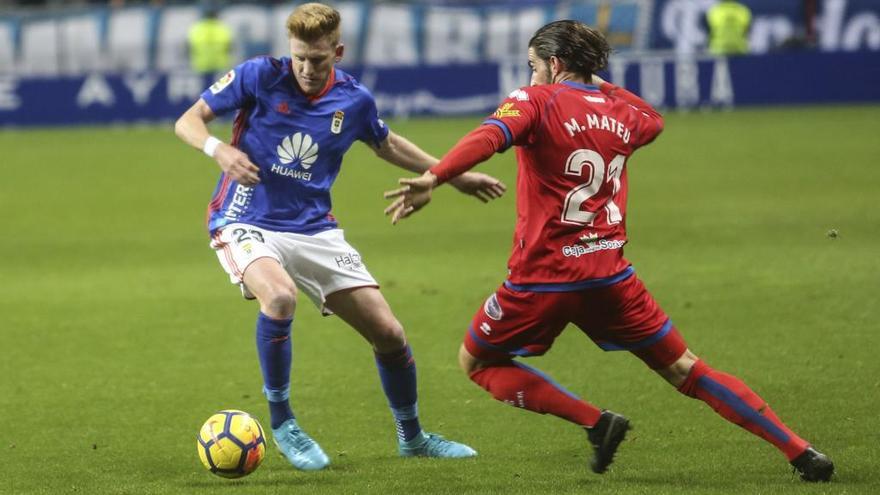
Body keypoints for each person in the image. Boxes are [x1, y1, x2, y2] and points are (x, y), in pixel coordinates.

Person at [384, 20, 834, 482]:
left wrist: (435, 177)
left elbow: (490, 136)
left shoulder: (534, 100)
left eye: (534, 66)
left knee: (476, 361)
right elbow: (653, 119)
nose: (530, 75)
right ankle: (800, 450)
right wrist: (596, 80)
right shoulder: (623, 114)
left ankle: (595, 422)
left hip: (542, 279)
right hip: (611, 276)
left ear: (554, 64)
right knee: (686, 370)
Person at [174, 2, 506, 471]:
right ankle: (284, 420)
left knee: (389, 333)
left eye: (319, 60)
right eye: (300, 58)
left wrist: (452, 175)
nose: (307, 69)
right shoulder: (258, 75)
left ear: (338, 51)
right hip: (245, 218)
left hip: (314, 228)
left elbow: (386, 143)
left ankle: (411, 437)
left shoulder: (354, 100)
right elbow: (188, 120)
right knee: (281, 298)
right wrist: (219, 149)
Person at [187, 6, 234, 74]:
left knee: (205, 84)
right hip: (220, 64)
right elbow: (229, 47)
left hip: (202, 64)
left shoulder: (197, 28)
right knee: (221, 84)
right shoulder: (222, 28)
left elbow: (190, 47)